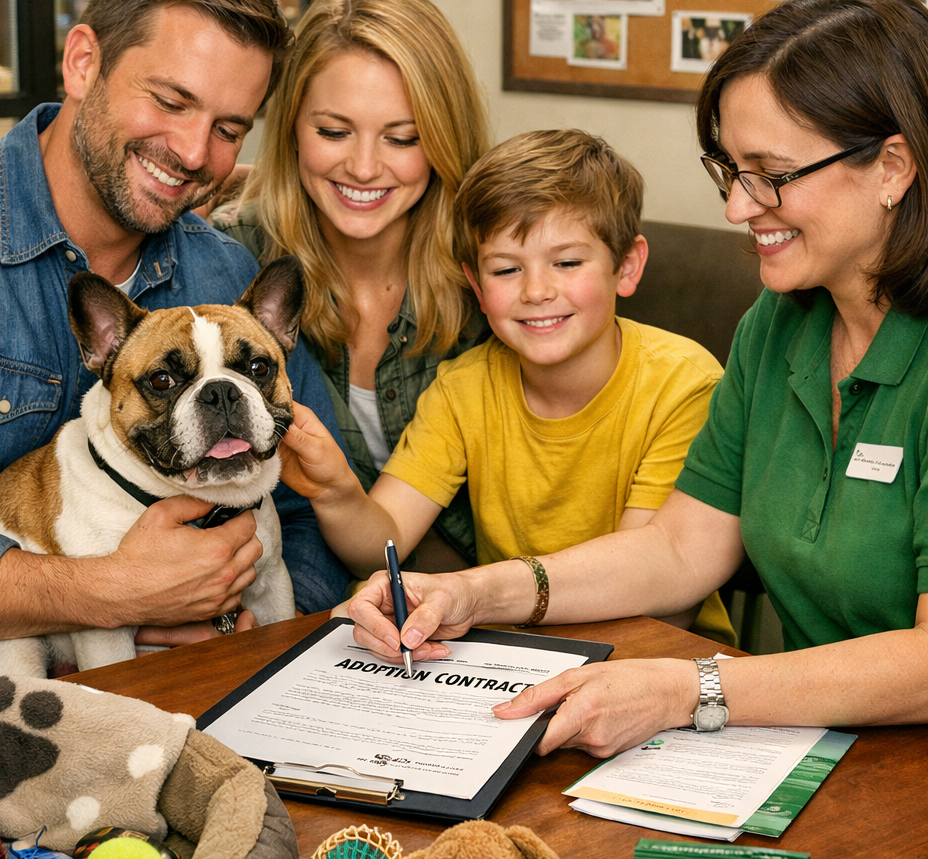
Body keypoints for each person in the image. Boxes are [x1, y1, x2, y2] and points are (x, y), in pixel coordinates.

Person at [344, 0, 928, 757]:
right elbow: (679, 550)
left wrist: (692, 691)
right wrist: (475, 592)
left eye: (772, 174)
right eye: (731, 171)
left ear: (893, 166)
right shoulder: (777, 325)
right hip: (817, 745)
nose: (738, 208)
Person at [0, 0, 350, 681]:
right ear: (84, 62)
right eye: (171, 101)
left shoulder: (224, 275)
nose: (193, 151)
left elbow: (310, 515)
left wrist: (238, 632)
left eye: (229, 129)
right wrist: (112, 593)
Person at [280, 129, 733, 644]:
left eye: (567, 262)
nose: (536, 291)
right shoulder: (462, 389)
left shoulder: (682, 385)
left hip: (660, 654)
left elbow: (650, 590)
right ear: (477, 285)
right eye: (506, 269)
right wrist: (335, 491)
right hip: (510, 651)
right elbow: (382, 543)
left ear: (625, 267)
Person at [215, 0, 491, 571]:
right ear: (291, 127)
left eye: (403, 138)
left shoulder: (497, 270)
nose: (364, 168)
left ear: (444, 139)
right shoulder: (231, 259)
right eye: (333, 132)